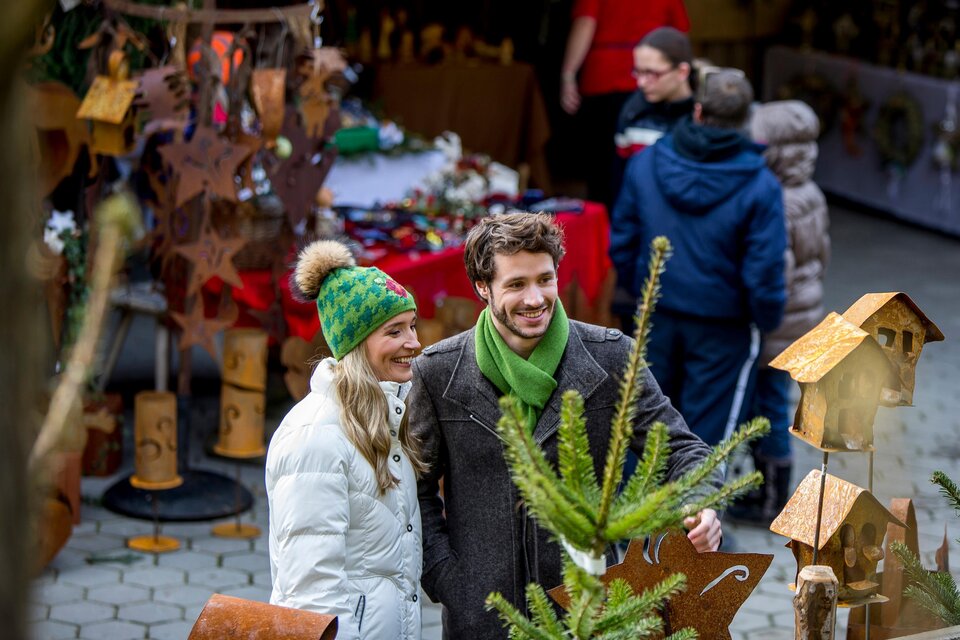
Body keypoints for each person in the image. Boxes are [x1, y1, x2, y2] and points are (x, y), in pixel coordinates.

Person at [409, 212, 723, 639]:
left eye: (545, 279)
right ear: (482, 287)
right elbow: (415, 491)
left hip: (591, 609)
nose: (535, 298)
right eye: (516, 284)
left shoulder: (610, 358)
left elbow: (685, 450)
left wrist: (700, 505)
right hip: (482, 618)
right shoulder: (439, 372)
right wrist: (448, 578)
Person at [610, 69, 787, 447]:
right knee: (701, 444)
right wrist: (766, 320)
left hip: (655, 315)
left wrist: (640, 289)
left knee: (643, 434)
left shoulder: (646, 163)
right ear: (746, 120)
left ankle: (640, 507)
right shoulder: (762, 185)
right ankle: (690, 509)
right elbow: (765, 270)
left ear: (698, 110)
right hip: (723, 329)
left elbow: (623, 241)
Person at [266, 239, 426, 639]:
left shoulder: (385, 417)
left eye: (412, 325)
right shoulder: (315, 439)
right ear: (357, 343)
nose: (415, 342)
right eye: (395, 331)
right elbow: (311, 595)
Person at [729, 100, 830, 525]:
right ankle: (772, 492)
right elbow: (821, 253)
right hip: (804, 313)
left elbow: (776, 269)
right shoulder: (810, 192)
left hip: (778, 320)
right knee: (775, 400)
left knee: (765, 404)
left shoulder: (779, 200)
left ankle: (772, 498)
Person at [560, 0, 689, 209]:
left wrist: (568, 73)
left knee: (600, 162)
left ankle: (602, 225)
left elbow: (585, 24)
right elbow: (678, 36)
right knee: (644, 156)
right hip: (651, 78)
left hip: (603, 75)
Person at [610, 26, 696, 333]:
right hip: (640, 261)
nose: (641, 82)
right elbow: (619, 189)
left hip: (691, 261)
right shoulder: (632, 112)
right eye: (638, 72)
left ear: (682, 71)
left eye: (652, 73)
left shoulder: (700, 117)